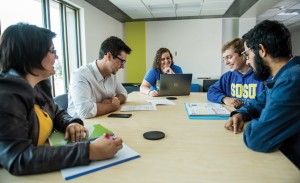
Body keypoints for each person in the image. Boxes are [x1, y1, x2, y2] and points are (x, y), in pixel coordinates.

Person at [0, 23, 123, 175]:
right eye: (52, 51)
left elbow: (56, 112)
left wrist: (70, 123)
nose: (57, 56)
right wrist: (90, 151)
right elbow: (18, 158)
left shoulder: (39, 85)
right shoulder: (7, 94)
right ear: (32, 54)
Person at [224, 20, 300, 169]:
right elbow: (257, 103)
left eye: (247, 54)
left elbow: (257, 138)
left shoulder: (291, 81)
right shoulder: (279, 77)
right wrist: (240, 114)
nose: (248, 61)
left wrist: (260, 119)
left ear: (262, 50)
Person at [68, 36, 131, 119]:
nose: (123, 67)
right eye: (121, 61)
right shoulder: (80, 75)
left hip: (103, 118)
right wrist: (113, 106)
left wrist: (113, 100)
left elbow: (124, 94)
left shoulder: (111, 74)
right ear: (109, 56)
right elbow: (85, 111)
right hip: (81, 125)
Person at [207, 38, 266, 109]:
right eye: (224, 59)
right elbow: (211, 91)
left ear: (243, 55)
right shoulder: (227, 76)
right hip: (234, 116)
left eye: (229, 57)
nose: (226, 62)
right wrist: (224, 99)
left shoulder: (262, 76)